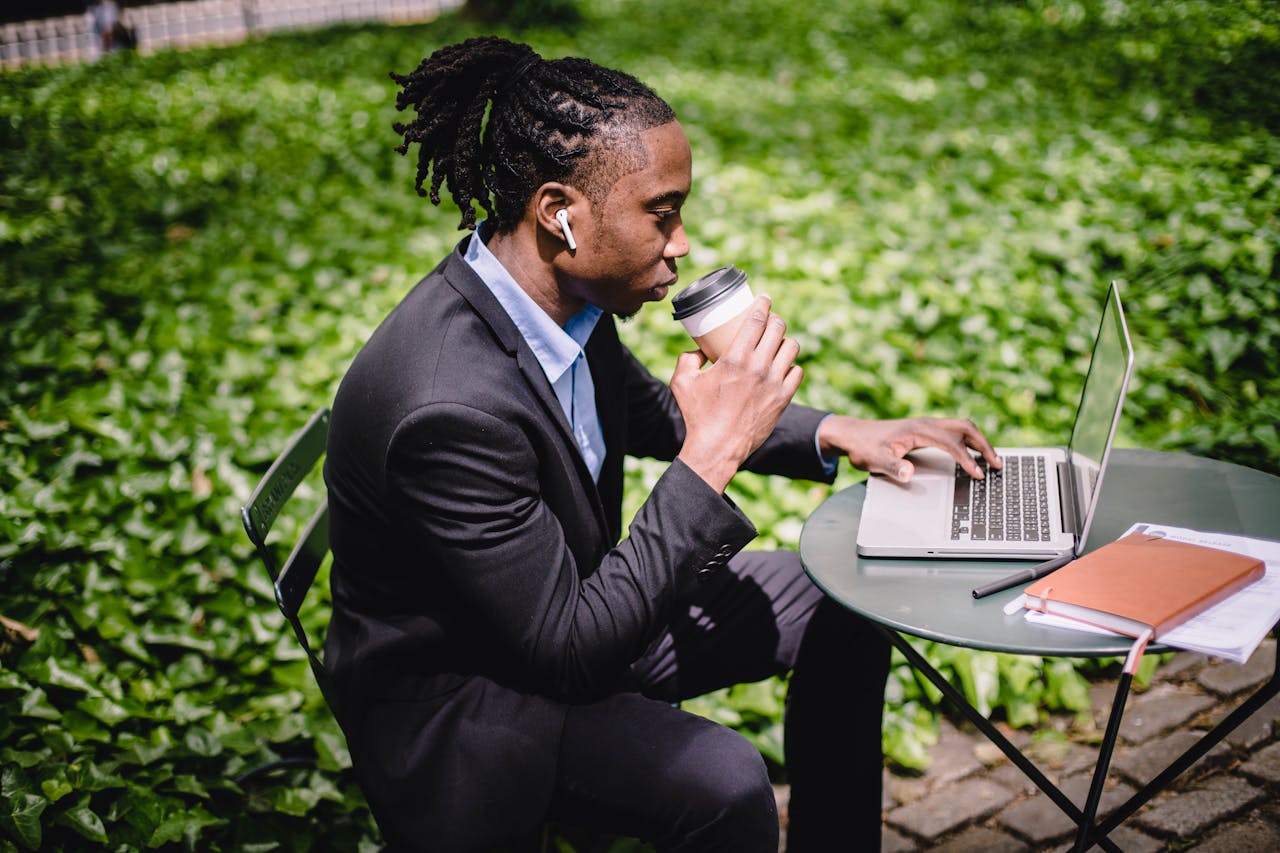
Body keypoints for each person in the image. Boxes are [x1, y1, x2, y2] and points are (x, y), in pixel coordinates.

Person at [323, 35, 1001, 852]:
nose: (681, 242)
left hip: (572, 616)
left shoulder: (559, 298)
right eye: (662, 212)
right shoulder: (446, 408)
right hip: (476, 709)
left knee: (846, 598)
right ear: (558, 213)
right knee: (724, 782)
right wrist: (710, 458)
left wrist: (839, 432)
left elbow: (652, 411)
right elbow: (566, 652)